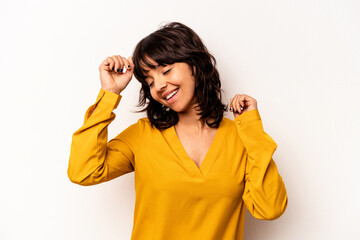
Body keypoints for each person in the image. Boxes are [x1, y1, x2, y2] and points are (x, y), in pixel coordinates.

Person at [67, 21, 288, 240]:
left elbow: (270, 208)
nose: (159, 85)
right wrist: (109, 93)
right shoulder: (143, 136)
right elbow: (83, 171)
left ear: (195, 65)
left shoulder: (240, 138)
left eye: (166, 70)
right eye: (150, 81)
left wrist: (251, 128)